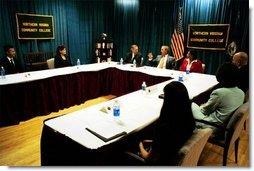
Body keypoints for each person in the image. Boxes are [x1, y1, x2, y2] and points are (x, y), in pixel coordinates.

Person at [138, 81, 196, 165]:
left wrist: (140, 145)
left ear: (168, 100)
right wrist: (154, 142)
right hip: (171, 153)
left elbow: (149, 158)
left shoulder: (164, 127)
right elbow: (168, 142)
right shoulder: (189, 119)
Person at [191, 63, 244, 128]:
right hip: (223, 124)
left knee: (191, 104)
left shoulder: (219, 93)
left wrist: (202, 106)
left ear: (220, 75)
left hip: (211, 125)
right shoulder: (241, 92)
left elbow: (204, 111)